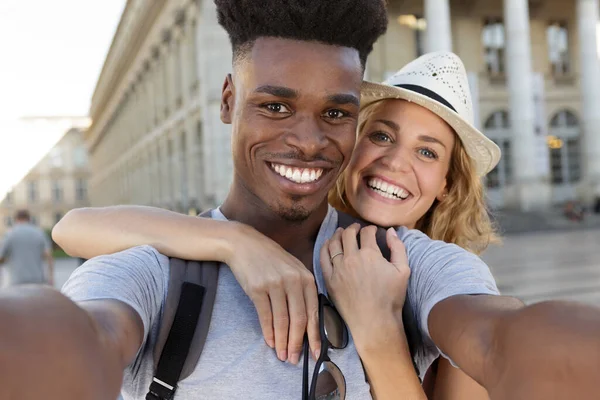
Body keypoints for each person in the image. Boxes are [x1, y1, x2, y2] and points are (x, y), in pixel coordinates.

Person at [53, 53, 600, 399]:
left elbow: (501, 338)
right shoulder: (296, 237)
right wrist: (236, 241)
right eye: (380, 135)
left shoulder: (439, 273)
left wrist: (377, 327)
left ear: (447, 186)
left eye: (427, 151)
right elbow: (74, 227)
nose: (392, 162)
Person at [0, 0, 398, 399]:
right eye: (275, 107)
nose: (309, 142)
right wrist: (234, 242)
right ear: (228, 101)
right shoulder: (157, 274)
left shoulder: (396, 260)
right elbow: (88, 335)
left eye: (335, 113)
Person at [0, 209, 54, 287]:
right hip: (37, 280)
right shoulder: (40, 233)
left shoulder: (9, 234)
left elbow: (1, 257)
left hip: (16, 281)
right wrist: (51, 278)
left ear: (15, 219)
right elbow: (49, 256)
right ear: (29, 219)